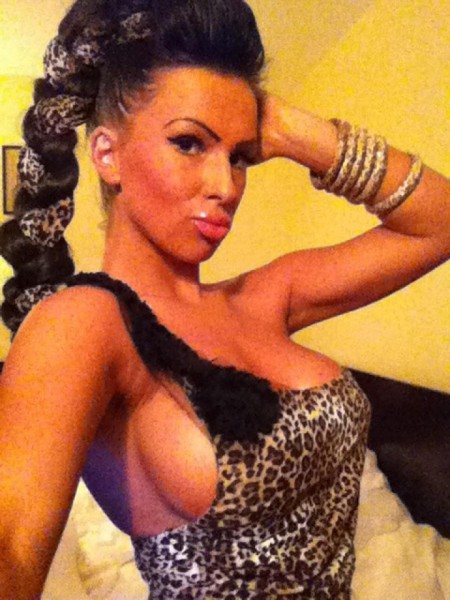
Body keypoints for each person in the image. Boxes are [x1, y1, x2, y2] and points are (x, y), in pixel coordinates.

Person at [0, 0, 449, 598]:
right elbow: (11, 544)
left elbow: (438, 223)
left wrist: (292, 131)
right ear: (107, 155)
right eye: (190, 143)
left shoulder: (268, 295)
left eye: (239, 156)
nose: (226, 186)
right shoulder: (86, 321)